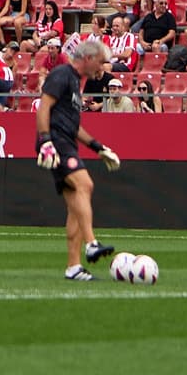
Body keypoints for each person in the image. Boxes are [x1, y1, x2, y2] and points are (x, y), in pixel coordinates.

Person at [37, 30, 119, 279]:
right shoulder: (62, 74)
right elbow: (43, 107)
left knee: (75, 205)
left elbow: (75, 126)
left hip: (66, 141)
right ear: (88, 57)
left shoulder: (75, 81)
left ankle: (73, 267)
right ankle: (92, 243)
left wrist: (98, 147)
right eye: (100, 62)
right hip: (57, 142)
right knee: (85, 184)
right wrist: (45, 141)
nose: (101, 68)